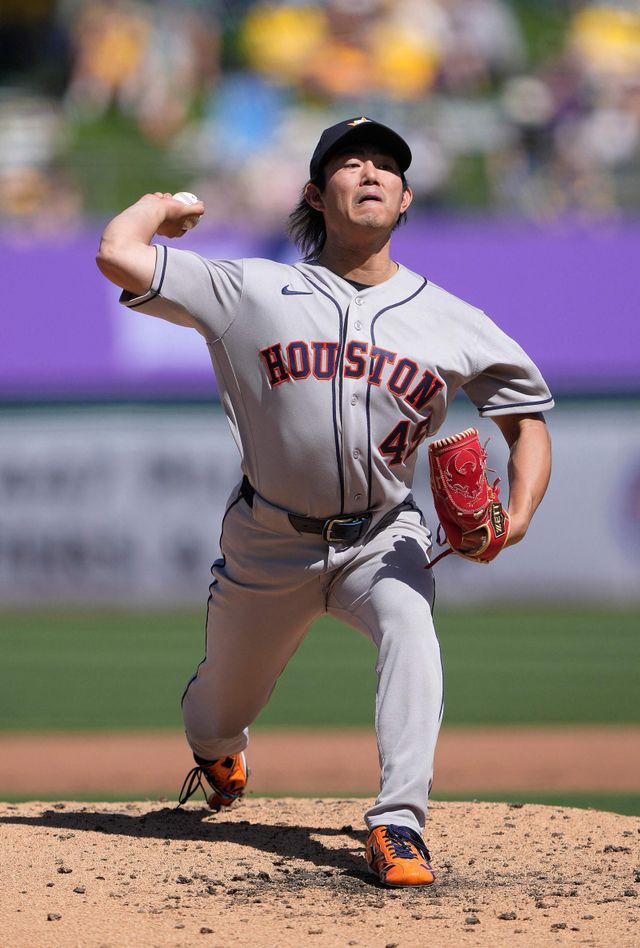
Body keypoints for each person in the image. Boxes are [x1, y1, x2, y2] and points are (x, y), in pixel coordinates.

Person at [96, 116, 553, 887]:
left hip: (384, 536)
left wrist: (523, 514)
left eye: (386, 166)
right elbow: (117, 253)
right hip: (270, 541)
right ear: (315, 194)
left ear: (406, 198)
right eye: (350, 163)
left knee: (411, 626)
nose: (370, 173)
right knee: (216, 710)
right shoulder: (251, 288)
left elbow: (526, 418)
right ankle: (219, 750)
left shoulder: (453, 320)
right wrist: (161, 207)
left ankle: (399, 823)